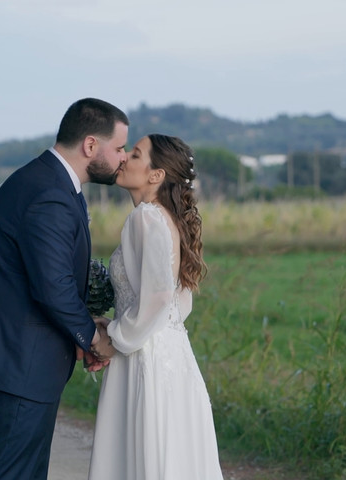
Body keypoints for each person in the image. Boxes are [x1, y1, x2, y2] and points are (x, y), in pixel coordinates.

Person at [0, 98, 128, 480]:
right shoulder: (48, 192)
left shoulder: (48, 182)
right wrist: (90, 337)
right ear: (91, 146)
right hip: (17, 362)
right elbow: (53, 286)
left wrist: (81, 327)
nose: (124, 158)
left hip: (19, 358)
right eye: (119, 148)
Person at [87, 134, 225, 479]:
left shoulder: (145, 217)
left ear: (155, 175)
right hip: (174, 354)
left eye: (134, 155)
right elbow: (181, 304)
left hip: (143, 356)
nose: (124, 159)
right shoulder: (167, 218)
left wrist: (116, 336)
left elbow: (161, 297)